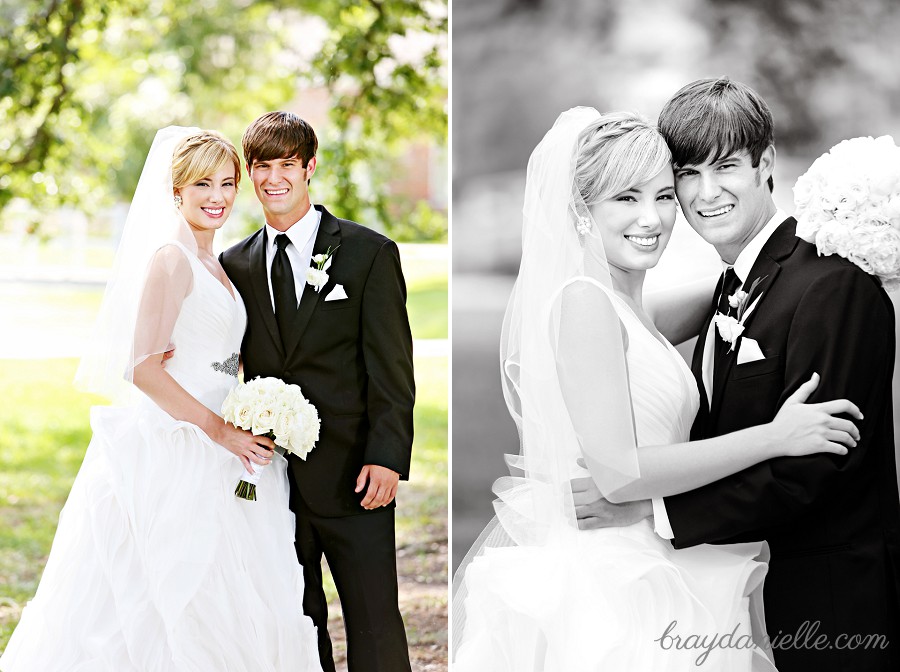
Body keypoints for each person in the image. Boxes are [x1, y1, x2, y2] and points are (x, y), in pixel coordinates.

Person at [450, 108, 863, 670]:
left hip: (662, 553)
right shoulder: (584, 304)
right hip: (619, 578)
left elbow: (739, 286)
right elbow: (619, 475)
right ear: (581, 209)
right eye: (626, 198)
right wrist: (774, 437)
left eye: (665, 196)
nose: (652, 219)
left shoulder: (628, 308)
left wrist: (843, 247)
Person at [576, 77, 900, 672]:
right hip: (742, 598)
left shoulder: (832, 283)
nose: (707, 193)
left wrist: (654, 515)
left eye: (725, 167)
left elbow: (815, 469)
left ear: (766, 164)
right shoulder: (735, 285)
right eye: (688, 174)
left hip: (830, 606)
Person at [0, 128, 322, 671]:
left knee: (238, 589)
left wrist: (261, 407)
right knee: (169, 590)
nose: (217, 196)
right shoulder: (171, 259)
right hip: (182, 444)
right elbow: (142, 368)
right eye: (202, 184)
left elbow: (213, 349)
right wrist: (220, 430)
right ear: (176, 191)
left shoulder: (215, 263)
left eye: (226, 183)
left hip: (229, 444)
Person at [219, 111, 415, 672]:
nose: (274, 178)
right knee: (298, 623)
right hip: (275, 482)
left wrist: (386, 458)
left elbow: (392, 371)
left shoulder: (367, 253)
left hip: (356, 475)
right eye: (262, 167)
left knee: (374, 621)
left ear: (309, 167)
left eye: (287, 164)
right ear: (250, 174)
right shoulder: (235, 265)